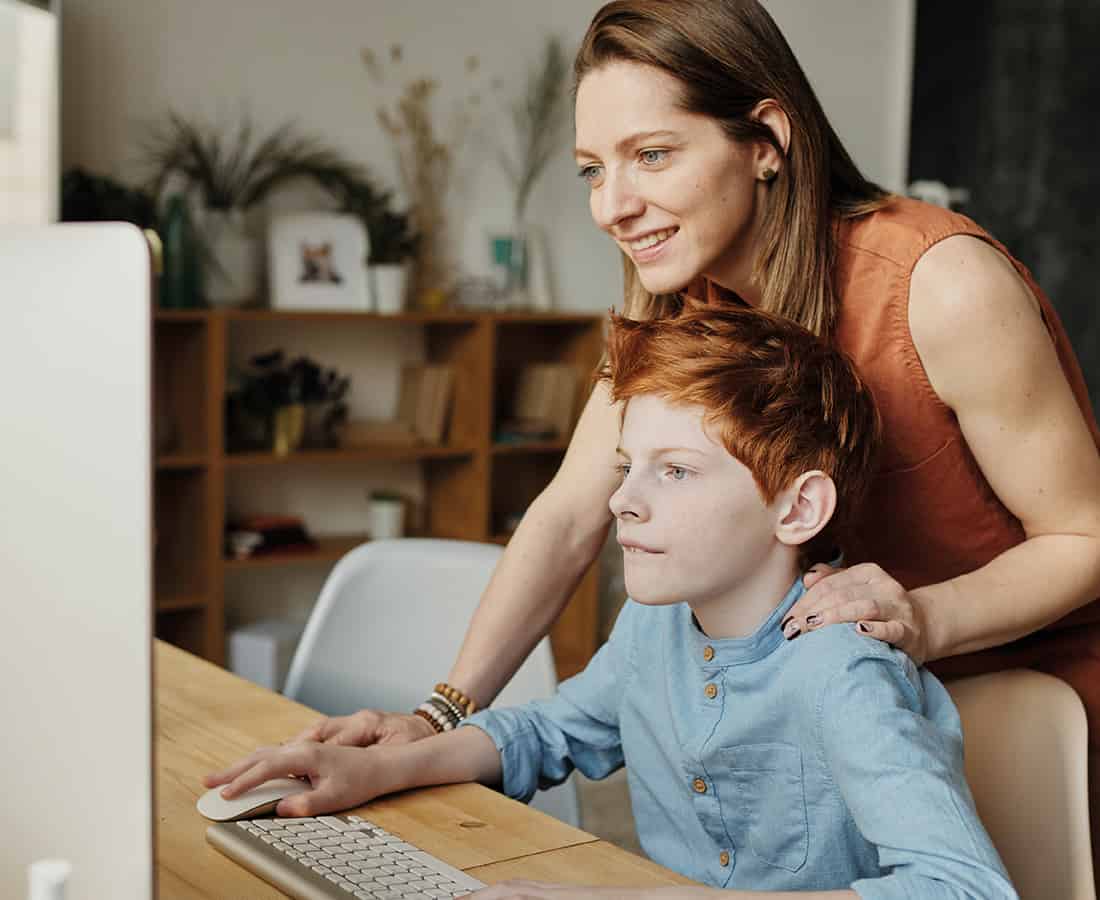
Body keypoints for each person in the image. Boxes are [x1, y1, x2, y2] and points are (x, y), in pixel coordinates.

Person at [293, 0, 1100, 862]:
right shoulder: (674, 300)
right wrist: (436, 717)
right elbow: (571, 514)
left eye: (651, 155)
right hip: (832, 721)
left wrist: (921, 618)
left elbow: (1086, 535)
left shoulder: (941, 285)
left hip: (1020, 708)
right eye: (592, 170)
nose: (612, 205)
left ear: (765, 141)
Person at [207, 305, 1018, 898]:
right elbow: (547, 731)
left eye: (674, 471)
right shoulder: (653, 627)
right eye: (627, 467)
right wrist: (379, 768)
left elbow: (964, 889)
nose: (622, 501)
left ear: (797, 509)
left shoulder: (842, 670)